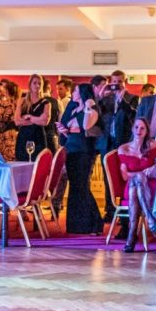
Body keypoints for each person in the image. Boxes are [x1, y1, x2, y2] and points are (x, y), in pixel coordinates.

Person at [117, 117, 156, 252]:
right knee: (136, 182)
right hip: (131, 184)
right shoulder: (123, 148)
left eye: (142, 128)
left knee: (135, 189)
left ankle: (131, 236)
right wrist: (140, 174)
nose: (139, 130)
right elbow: (124, 176)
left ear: (147, 131)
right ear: (132, 129)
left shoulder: (152, 146)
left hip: (150, 186)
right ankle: (150, 218)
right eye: (136, 127)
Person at [55, 82, 103, 235]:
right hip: (71, 150)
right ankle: (77, 225)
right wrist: (64, 131)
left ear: (82, 93)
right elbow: (72, 132)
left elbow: (86, 126)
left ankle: (95, 223)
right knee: (75, 186)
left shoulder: (92, 109)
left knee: (82, 186)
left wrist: (88, 105)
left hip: (84, 151)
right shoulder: (74, 108)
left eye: (75, 91)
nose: (73, 93)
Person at [97, 70, 138, 231]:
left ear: (125, 82)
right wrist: (100, 96)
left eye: (119, 82)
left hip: (123, 144)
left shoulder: (132, 98)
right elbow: (97, 115)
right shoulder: (105, 99)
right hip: (107, 143)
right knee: (108, 178)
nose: (116, 85)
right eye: (114, 82)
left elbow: (134, 118)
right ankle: (110, 210)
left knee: (123, 177)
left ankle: (124, 212)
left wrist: (123, 101)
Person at [14, 73, 54, 161]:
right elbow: (17, 121)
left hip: (38, 136)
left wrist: (29, 117)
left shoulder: (46, 103)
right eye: (35, 83)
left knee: (38, 161)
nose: (37, 86)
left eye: (39, 83)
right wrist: (37, 119)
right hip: (23, 136)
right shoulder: (22, 101)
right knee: (22, 161)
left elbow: (44, 122)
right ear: (30, 85)